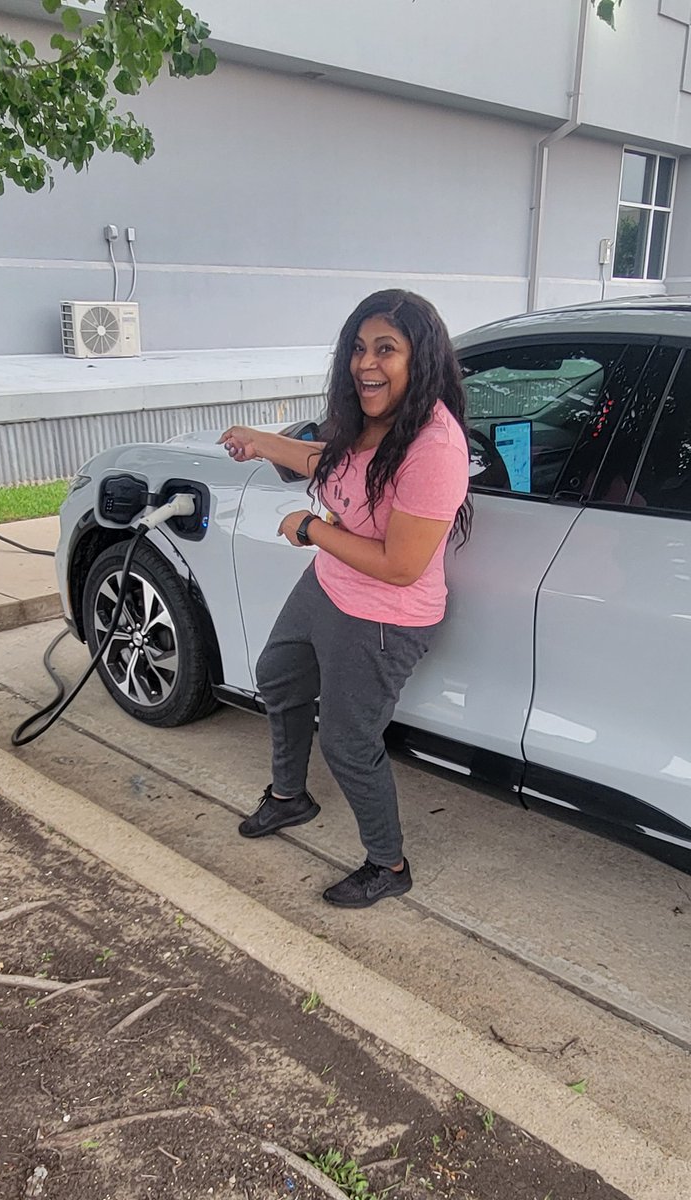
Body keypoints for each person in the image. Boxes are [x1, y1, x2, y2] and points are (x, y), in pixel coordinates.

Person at [218, 290, 471, 909]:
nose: (367, 364)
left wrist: (310, 530)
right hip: (330, 585)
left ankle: (389, 863)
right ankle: (289, 797)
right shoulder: (365, 416)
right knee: (277, 677)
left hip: (384, 615)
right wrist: (262, 441)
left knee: (348, 742)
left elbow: (402, 566)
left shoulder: (434, 447)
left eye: (387, 349)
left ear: (421, 358)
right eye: (359, 348)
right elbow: (329, 462)